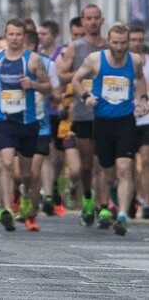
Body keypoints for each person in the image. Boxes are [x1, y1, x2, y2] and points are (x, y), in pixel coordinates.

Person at [72, 23, 148, 236]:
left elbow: (140, 80)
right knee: (106, 171)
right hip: (102, 121)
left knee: (124, 167)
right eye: (115, 43)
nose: (119, 47)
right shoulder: (96, 60)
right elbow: (76, 80)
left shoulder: (134, 60)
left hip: (125, 121)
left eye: (123, 43)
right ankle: (104, 207)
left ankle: (122, 215)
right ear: (108, 40)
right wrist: (86, 96)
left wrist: (143, 100)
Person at [0, 19, 51, 232]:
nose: (15, 38)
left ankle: (26, 195)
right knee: (7, 164)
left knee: (26, 174)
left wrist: (33, 85)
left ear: (24, 37)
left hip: (27, 122)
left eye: (19, 35)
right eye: (11, 34)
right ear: (6, 36)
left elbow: (48, 88)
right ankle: (7, 209)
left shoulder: (33, 60)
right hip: (4, 121)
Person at [58, 4, 106, 224]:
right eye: (88, 18)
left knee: (105, 162)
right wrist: (82, 73)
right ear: (83, 21)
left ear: (102, 20)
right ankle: (87, 198)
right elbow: (61, 76)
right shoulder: (76, 48)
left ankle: (105, 205)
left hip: (108, 112)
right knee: (86, 165)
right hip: (82, 113)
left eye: (96, 18)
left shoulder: (109, 46)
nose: (92, 22)